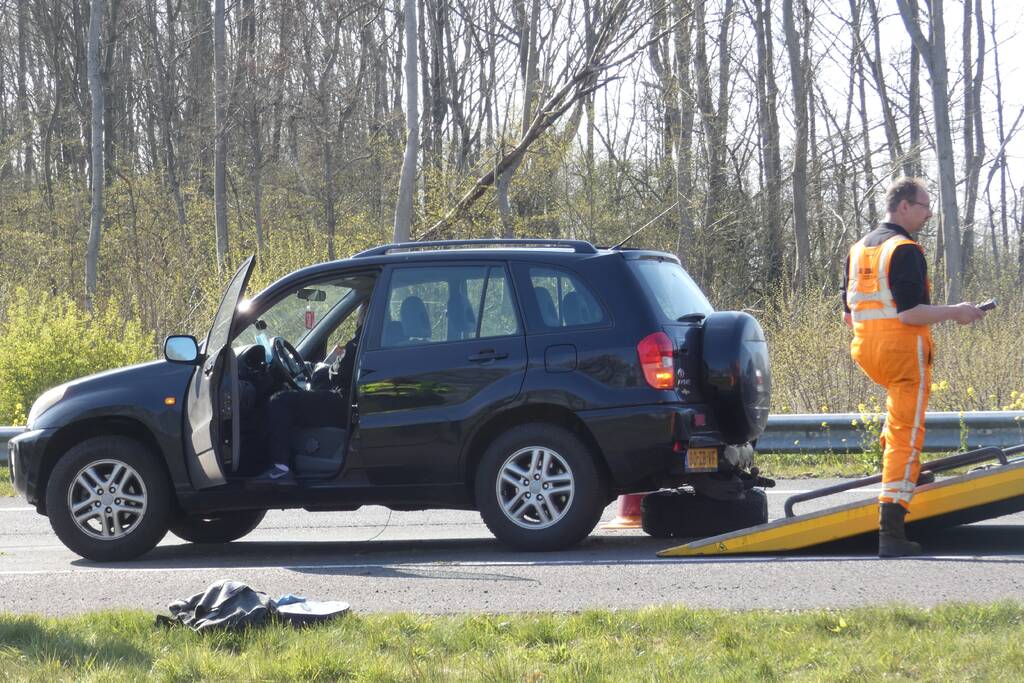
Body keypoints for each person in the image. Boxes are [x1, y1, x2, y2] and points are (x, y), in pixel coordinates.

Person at [843, 177, 987, 557]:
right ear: (903, 206)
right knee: (907, 430)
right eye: (924, 207)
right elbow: (910, 313)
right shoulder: (904, 249)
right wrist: (956, 312)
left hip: (865, 350)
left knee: (898, 417)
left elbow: (849, 313)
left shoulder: (859, 250)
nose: (928, 215)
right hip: (903, 350)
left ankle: (908, 470)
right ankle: (891, 530)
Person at [258, 302, 366, 483]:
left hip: (344, 403)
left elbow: (339, 372)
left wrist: (326, 370)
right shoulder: (379, 340)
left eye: (359, 316)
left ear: (362, 318)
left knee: (280, 401)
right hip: (352, 400)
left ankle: (281, 467)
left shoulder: (360, 341)